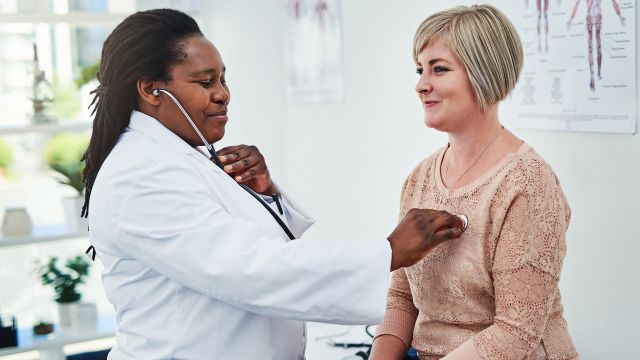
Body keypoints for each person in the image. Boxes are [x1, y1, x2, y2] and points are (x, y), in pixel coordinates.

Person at [81, 9, 465, 360]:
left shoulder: (176, 156)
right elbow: (249, 269)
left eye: (223, 78)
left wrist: (259, 195)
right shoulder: (138, 173)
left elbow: (237, 245)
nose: (223, 94)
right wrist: (389, 252)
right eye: (204, 82)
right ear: (150, 90)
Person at [370, 5, 579, 360]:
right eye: (420, 69)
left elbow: (516, 331)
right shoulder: (419, 179)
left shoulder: (527, 184)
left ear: (484, 75)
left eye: (439, 69)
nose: (421, 84)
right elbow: (401, 298)